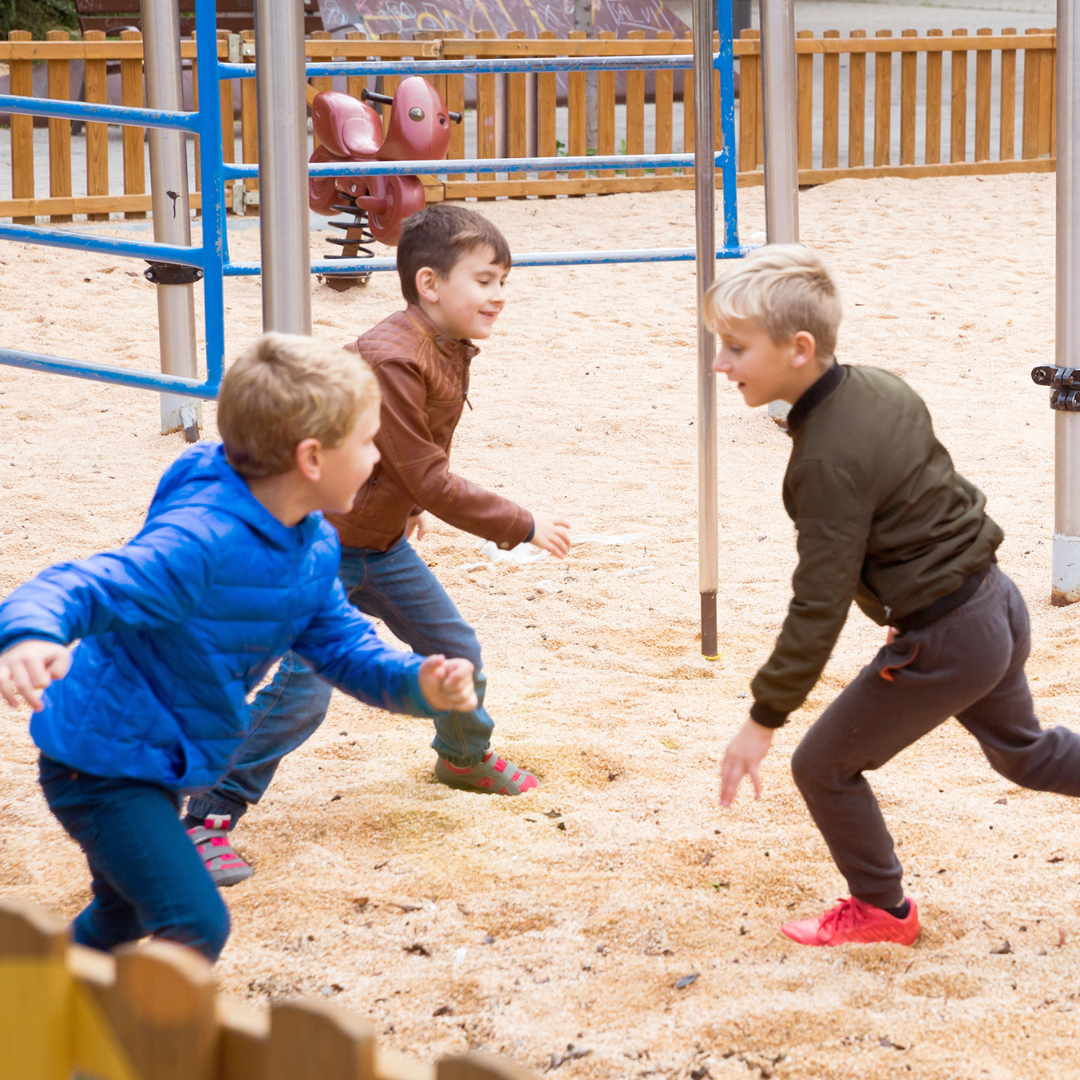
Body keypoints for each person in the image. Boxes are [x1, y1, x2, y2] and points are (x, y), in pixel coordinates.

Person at [0, 333, 478, 962]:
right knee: (196, 926)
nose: (376, 456)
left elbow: (342, 649)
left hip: (156, 760)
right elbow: (86, 583)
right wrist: (31, 632)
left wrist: (419, 683)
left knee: (119, 921)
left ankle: (33, 1004)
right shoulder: (202, 538)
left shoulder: (310, 545)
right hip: (101, 767)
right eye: (366, 442)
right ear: (311, 458)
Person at [183, 204, 571, 886]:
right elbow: (427, 469)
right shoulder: (392, 355)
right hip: (314, 549)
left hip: (378, 539)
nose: (498, 294)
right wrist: (520, 524)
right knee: (302, 692)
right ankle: (204, 819)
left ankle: (461, 758)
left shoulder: (444, 345)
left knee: (455, 649)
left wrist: (405, 505)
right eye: (483, 279)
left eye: (502, 279)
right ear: (429, 284)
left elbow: (408, 460)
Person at [709, 244, 1080, 947]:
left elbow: (815, 606)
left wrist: (763, 717)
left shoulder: (822, 460)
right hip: (993, 601)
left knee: (821, 765)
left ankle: (881, 911)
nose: (720, 365)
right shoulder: (881, 386)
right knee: (1025, 753)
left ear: (799, 348)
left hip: (949, 636)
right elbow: (927, 503)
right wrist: (903, 601)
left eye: (735, 347)